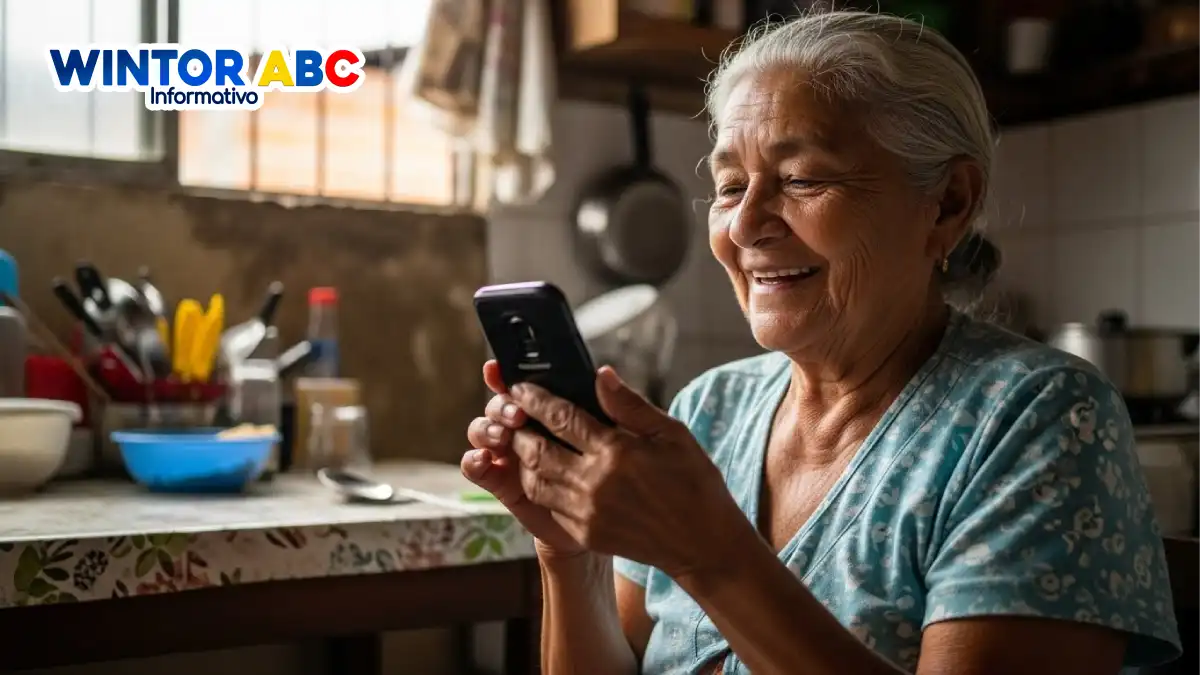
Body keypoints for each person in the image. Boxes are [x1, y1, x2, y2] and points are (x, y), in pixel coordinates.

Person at [462, 10, 1182, 675]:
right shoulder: (712, 406)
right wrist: (570, 552)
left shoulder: (1038, 418)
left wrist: (709, 551)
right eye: (729, 186)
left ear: (948, 204)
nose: (744, 226)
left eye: (802, 177)